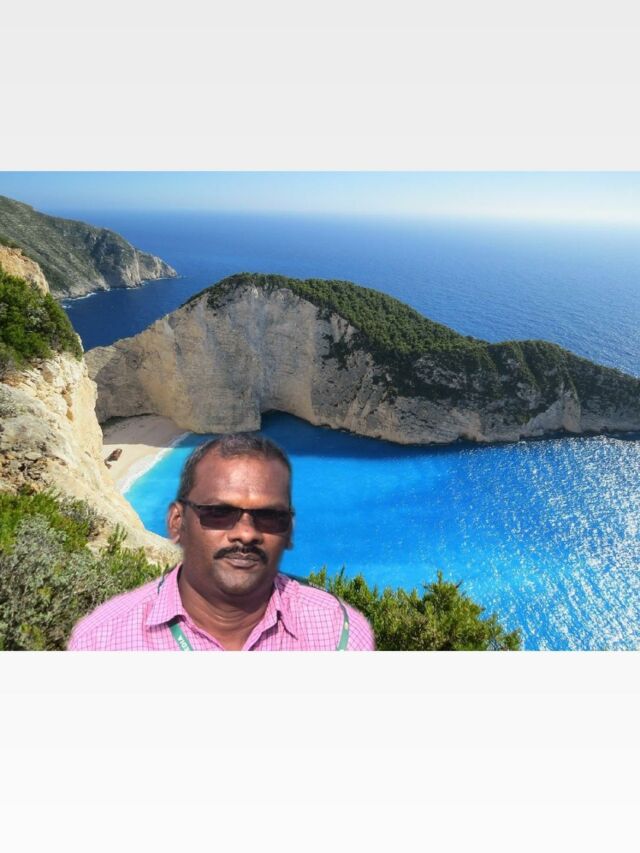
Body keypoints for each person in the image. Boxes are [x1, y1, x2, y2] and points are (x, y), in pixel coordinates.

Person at [68, 434, 375, 651]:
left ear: (289, 531)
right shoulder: (101, 640)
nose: (246, 533)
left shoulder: (339, 634)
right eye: (218, 513)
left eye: (269, 516)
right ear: (177, 522)